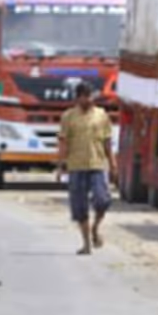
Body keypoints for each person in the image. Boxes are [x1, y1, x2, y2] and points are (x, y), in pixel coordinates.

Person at [56, 81, 115, 256]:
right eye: (85, 96)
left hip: (98, 165)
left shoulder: (102, 115)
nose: (88, 99)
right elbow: (63, 143)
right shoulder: (68, 117)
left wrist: (113, 164)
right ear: (78, 97)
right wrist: (60, 167)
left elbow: (107, 142)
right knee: (80, 208)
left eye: (90, 96)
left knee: (102, 200)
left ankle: (95, 228)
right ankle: (86, 244)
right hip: (76, 166)